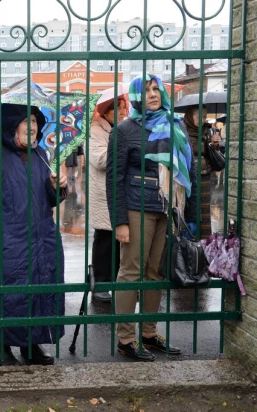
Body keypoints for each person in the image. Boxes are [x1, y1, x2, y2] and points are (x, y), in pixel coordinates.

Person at [0, 103, 67, 367]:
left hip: (41, 239)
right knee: (7, 296)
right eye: (25, 121)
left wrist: (57, 188)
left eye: (34, 121)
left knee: (37, 293)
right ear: (12, 125)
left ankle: (32, 345)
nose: (32, 126)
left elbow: (48, 200)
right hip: (6, 242)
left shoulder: (41, 154)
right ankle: (1, 347)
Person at [106, 74, 197, 361]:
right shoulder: (124, 129)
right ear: (135, 98)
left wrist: (189, 214)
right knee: (131, 271)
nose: (154, 95)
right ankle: (125, 338)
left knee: (156, 271)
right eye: (146, 91)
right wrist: (120, 221)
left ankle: (148, 333)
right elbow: (114, 178)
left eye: (157, 89)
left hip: (166, 208)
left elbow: (186, 168)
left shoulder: (174, 124)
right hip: (136, 208)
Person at [89, 96, 129, 302]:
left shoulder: (123, 129)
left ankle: (115, 282)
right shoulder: (97, 130)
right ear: (106, 111)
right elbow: (100, 160)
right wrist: (121, 145)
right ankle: (99, 283)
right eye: (118, 108)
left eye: (124, 107)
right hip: (104, 193)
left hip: (121, 192)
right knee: (104, 240)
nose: (123, 111)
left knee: (119, 241)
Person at [183, 106, 223, 238]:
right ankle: (188, 242)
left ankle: (204, 244)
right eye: (198, 116)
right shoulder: (182, 131)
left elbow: (211, 156)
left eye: (205, 116)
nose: (202, 119)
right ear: (190, 116)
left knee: (204, 211)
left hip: (205, 176)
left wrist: (214, 145)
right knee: (190, 210)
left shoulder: (207, 132)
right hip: (188, 178)